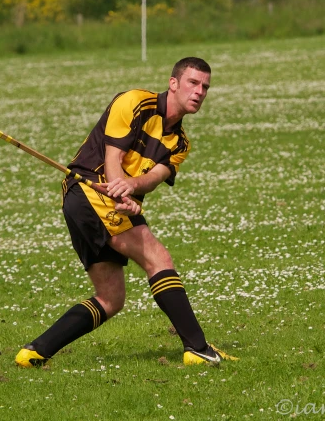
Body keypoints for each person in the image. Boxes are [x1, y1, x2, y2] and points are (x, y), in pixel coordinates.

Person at [15, 57, 237, 367]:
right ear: (173, 83)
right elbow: (112, 158)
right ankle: (197, 348)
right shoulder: (134, 102)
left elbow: (153, 179)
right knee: (157, 258)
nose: (200, 91)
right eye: (193, 83)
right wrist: (122, 193)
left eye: (205, 87)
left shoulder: (180, 143)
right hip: (90, 190)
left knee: (111, 297)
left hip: (97, 202)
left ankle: (35, 352)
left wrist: (131, 190)